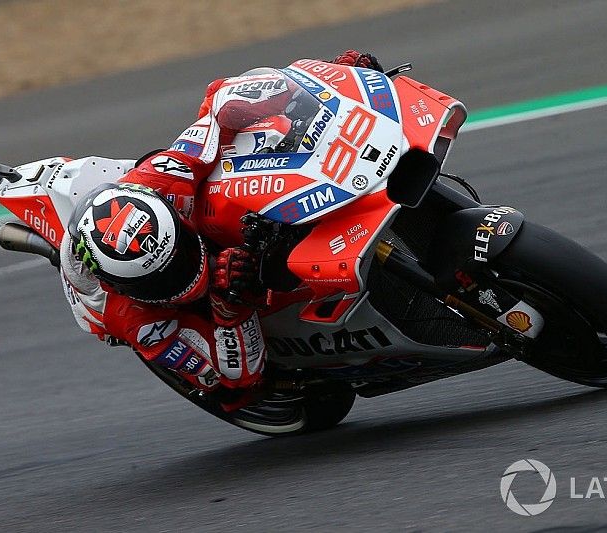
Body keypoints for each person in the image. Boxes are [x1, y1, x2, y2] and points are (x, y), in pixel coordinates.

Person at [59, 51, 383, 410]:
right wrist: (229, 308)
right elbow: (233, 376)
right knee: (237, 392)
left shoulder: (165, 177)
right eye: (165, 278)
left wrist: (329, 83)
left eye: (180, 253)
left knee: (260, 137)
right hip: (193, 321)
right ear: (124, 287)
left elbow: (215, 109)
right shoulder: (134, 318)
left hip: (167, 214)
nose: (184, 271)